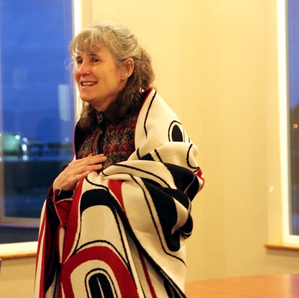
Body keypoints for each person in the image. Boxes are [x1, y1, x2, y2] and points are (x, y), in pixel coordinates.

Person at [35, 21, 204, 298]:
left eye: (95, 60)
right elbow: (70, 204)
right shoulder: (88, 128)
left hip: (142, 280)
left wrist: (93, 185)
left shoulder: (153, 121)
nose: (82, 70)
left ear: (126, 69)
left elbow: (175, 196)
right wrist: (58, 188)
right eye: (79, 60)